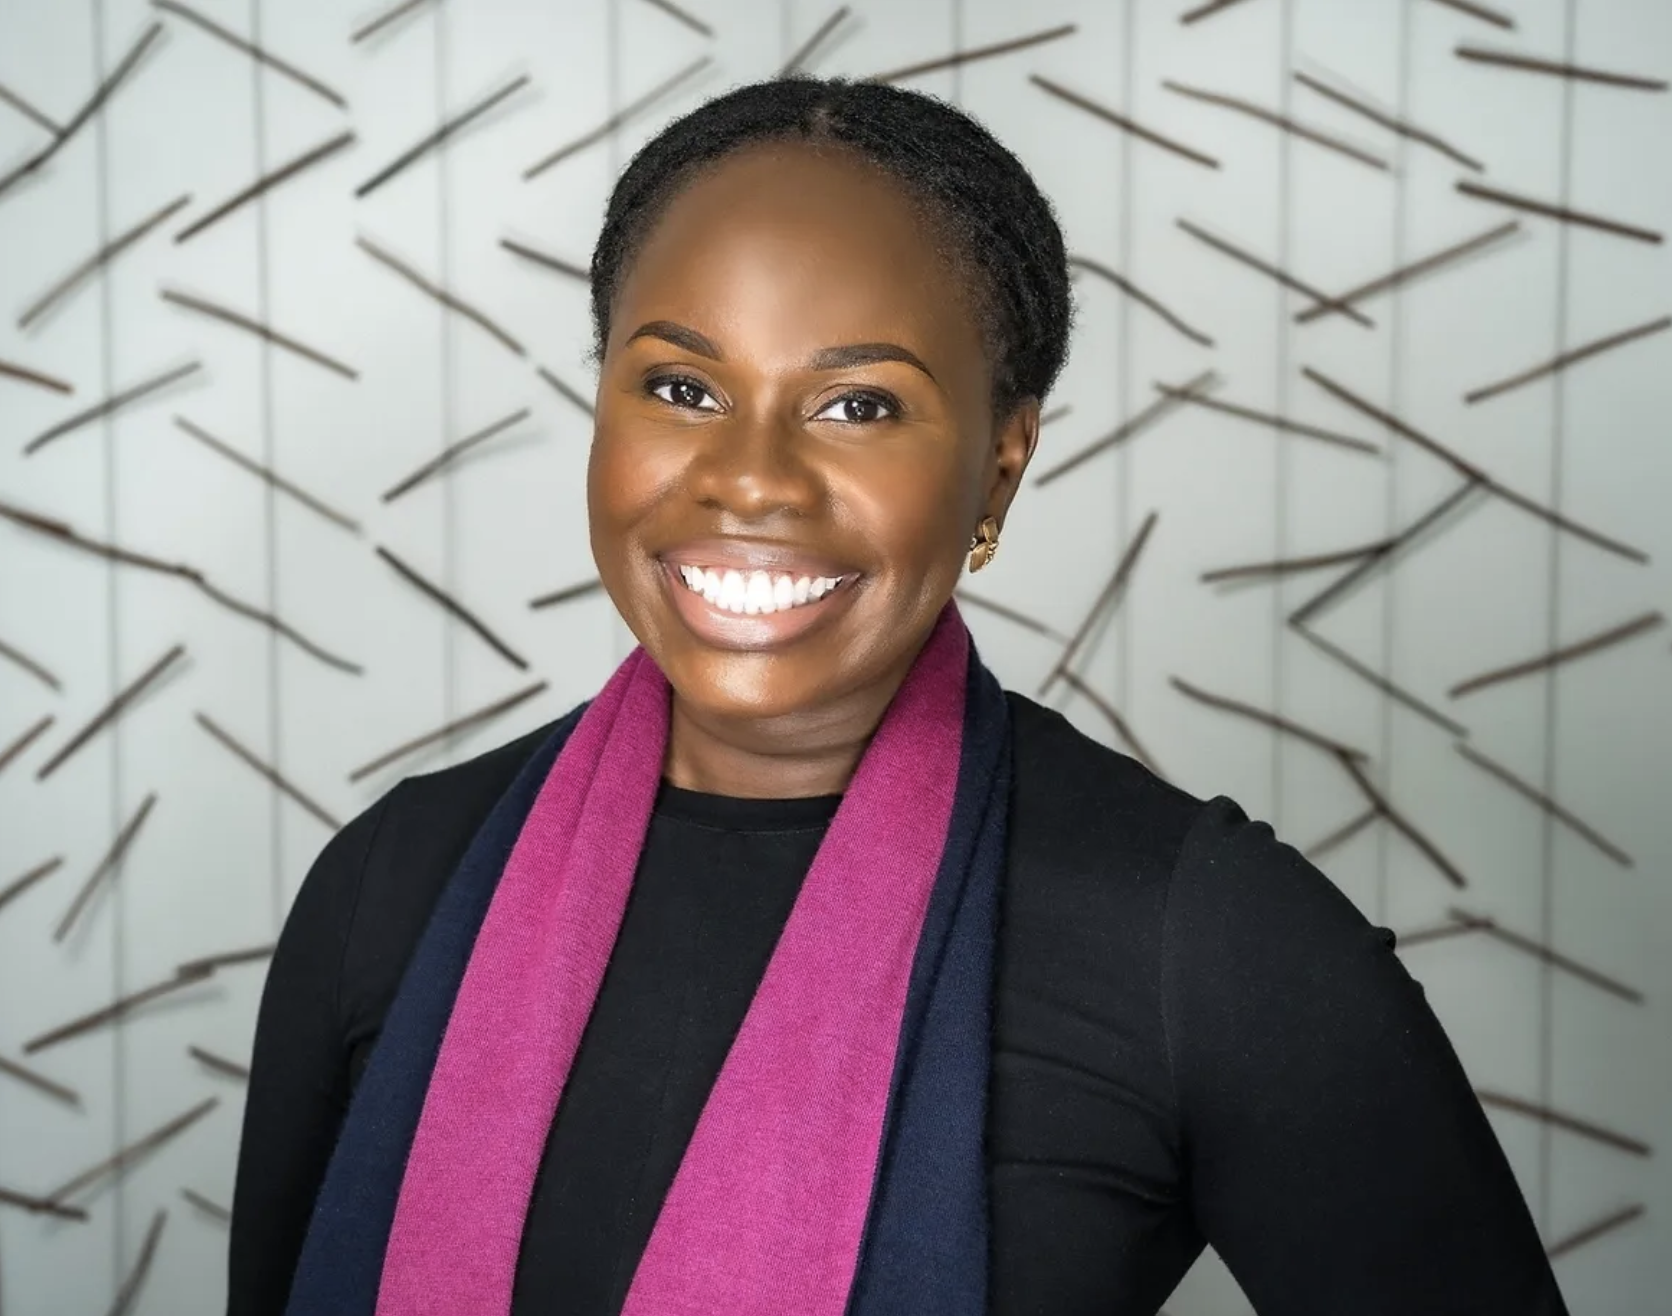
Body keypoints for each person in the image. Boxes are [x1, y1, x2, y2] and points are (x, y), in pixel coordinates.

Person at [228, 76, 1567, 1316]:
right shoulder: (392, 887)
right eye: (682, 387)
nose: (751, 479)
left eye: (859, 406)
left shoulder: (1204, 945)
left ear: (999, 465)